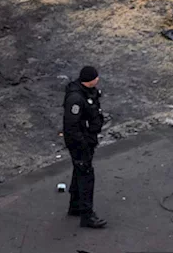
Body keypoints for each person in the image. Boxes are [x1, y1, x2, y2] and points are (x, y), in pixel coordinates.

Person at [63, 65, 106, 228]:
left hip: (87, 139)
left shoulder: (87, 92)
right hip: (81, 143)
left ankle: (75, 206)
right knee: (86, 176)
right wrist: (83, 144)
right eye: (95, 77)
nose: (98, 79)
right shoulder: (76, 99)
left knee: (79, 171)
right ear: (90, 80)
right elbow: (71, 127)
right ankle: (87, 215)